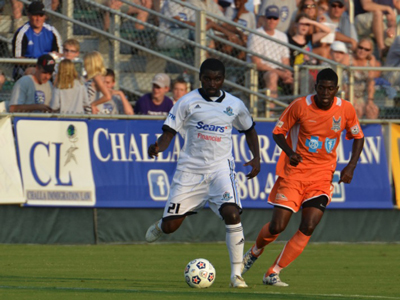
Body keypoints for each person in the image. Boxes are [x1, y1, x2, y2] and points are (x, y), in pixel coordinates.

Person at [241, 68, 364, 287]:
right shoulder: (300, 106)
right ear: (315, 87)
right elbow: (278, 133)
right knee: (278, 226)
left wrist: (351, 166)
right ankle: (255, 251)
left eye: (330, 89)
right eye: (321, 88)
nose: (325, 93)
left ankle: (273, 272)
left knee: (309, 225)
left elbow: (358, 137)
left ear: (337, 89)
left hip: (322, 177)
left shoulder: (345, 109)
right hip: (294, 175)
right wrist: (290, 153)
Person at [145, 58, 261, 288]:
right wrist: (158, 147)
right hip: (191, 170)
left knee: (232, 214)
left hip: (220, 170)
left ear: (223, 79)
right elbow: (169, 133)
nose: (212, 83)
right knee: (170, 227)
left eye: (217, 78)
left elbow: (249, 130)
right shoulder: (186, 102)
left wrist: (256, 158)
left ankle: (236, 275)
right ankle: (161, 225)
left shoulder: (235, 105)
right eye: (207, 78)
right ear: (200, 77)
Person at [247, 5, 293, 101]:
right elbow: (257, 63)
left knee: (303, 78)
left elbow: (285, 59)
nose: (272, 20)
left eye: (275, 18)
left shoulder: (282, 36)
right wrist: (280, 73)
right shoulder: (256, 34)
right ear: (264, 18)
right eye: (269, 17)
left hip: (279, 70)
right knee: (272, 76)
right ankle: (271, 113)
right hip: (260, 72)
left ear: (278, 20)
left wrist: (287, 73)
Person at [12, 1, 63, 80]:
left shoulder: (52, 32)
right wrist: (39, 64)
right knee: (32, 72)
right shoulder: (22, 33)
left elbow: (60, 54)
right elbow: (18, 58)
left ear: (45, 16)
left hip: (49, 65)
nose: (38, 19)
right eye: (35, 15)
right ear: (29, 15)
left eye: (41, 15)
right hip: (28, 67)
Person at [350, 38, 380, 119]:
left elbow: (371, 82)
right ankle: (353, 131)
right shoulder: (348, 58)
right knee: (356, 110)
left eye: (366, 49)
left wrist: (370, 101)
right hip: (347, 93)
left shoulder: (371, 60)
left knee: (373, 111)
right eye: (360, 47)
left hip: (362, 95)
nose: (362, 51)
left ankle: (369, 131)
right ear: (357, 47)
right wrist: (351, 99)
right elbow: (341, 82)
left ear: (370, 51)